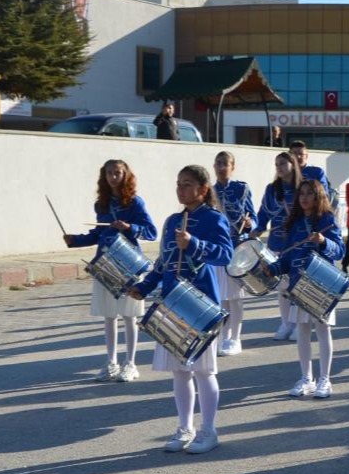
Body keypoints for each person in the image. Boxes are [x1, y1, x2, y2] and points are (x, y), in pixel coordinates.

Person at [128, 166, 233, 454]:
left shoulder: (214, 218)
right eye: (178, 184)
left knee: (203, 371)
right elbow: (163, 262)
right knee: (179, 372)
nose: (181, 189)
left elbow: (226, 255)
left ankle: (209, 431)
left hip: (201, 303)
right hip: (172, 300)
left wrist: (194, 243)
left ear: (202, 189)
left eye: (187, 184)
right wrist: (145, 287)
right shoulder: (172, 220)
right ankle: (184, 428)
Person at [64, 160, 158, 382]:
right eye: (109, 173)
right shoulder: (101, 205)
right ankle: (111, 362)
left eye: (117, 173)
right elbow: (98, 233)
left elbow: (151, 232)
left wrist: (129, 228)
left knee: (129, 314)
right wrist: (74, 240)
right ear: (104, 176)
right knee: (109, 315)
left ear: (126, 175)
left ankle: (131, 363)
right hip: (106, 263)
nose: (113, 177)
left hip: (129, 264)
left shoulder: (135, 203)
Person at [269, 179, 345, 398]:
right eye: (301, 193)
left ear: (318, 196)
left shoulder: (327, 220)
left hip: (321, 282)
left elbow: (339, 251)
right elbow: (287, 256)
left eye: (310, 193)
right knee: (302, 330)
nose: (304, 197)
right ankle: (306, 378)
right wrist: (272, 268)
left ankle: (325, 379)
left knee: (322, 330)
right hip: (298, 284)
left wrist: (323, 241)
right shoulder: (294, 222)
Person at [250, 151, 301, 340]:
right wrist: (258, 228)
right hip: (276, 242)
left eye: (282, 163)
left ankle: (298, 324)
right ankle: (286, 323)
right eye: (276, 164)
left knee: (295, 284)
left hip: (296, 243)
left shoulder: (301, 188)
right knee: (281, 286)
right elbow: (263, 212)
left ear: (292, 164)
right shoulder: (272, 189)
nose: (279, 167)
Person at [212, 151, 257, 356]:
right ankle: (223, 335)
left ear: (232, 166)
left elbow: (254, 217)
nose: (221, 167)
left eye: (225, 164)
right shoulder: (209, 191)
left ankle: (236, 337)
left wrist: (250, 224)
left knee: (236, 297)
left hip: (238, 246)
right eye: (218, 163)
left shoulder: (242, 188)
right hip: (219, 248)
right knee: (222, 296)